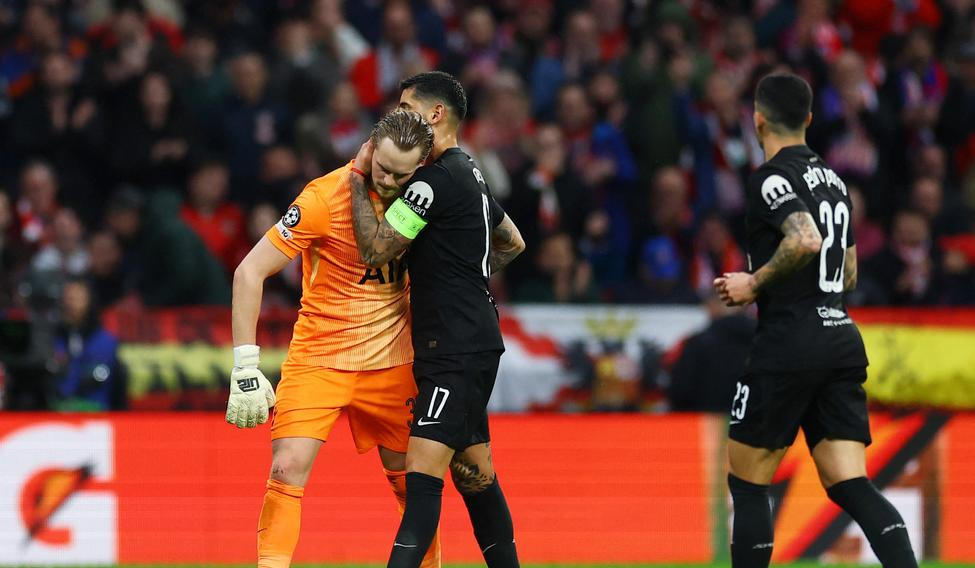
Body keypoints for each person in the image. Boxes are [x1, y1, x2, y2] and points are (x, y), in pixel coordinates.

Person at [714, 73, 917, 568]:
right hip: (840, 337)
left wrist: (754, 283)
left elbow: (803, 239)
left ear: (757, 119)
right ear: (807, 120)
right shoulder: (835, 181)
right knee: (851, 483)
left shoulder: (770, 178)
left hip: (788, 339)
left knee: (747, 482)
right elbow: (847, 270)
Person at [225, 110, 441, 568]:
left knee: (414, 488)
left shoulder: (428, 203)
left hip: (393, 362)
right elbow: (249, 272)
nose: (387, 179)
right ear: (369, 146)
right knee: (285, 469)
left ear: (420, 168)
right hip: (318, 358)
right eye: (381, 166)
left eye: (400, 174)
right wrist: (245, 364)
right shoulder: (323, 197)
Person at [347, 71, 526, 568]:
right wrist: (465, 272)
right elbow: (513, 241)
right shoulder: (471, 172)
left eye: (407, 107)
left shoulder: (430, 182)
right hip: (471, 341)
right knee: (475, 475)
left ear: (435, 114)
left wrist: (360, 178)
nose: (400, 116)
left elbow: (374, 249)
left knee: (422, 480)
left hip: (452, 348)